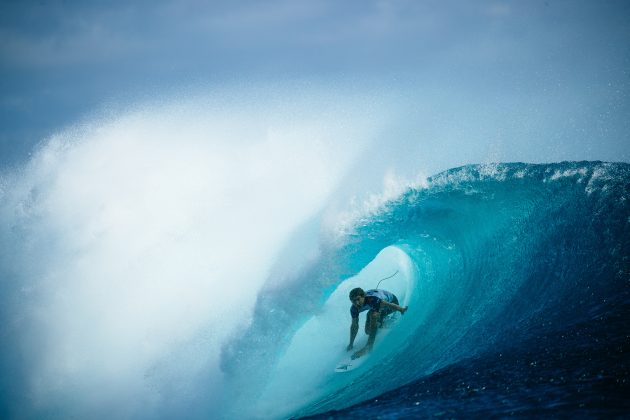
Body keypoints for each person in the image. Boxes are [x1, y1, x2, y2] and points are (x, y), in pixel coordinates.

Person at [347, 287, 408, 359]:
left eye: (358, 299)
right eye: (353, 301)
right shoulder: (354, 309)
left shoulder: (372, 299)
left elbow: (388, 304)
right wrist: (351, 344)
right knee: (368, 331)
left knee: (374, 315)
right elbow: (354, 326)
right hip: (376, 307)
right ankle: (384, 324)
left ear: (363, 296)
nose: (356, 303)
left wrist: (401, 309)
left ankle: (369, 346)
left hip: (392, 302)